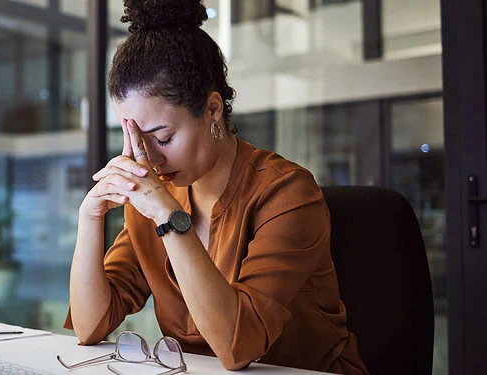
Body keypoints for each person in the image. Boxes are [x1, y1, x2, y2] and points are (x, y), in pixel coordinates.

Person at [64, 1, 368, 373]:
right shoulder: (156, 199)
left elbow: (238, 346)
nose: (150, 161)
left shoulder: (287, 193)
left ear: (212, 109)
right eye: (137, 141)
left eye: (162, 137)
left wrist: (169, 219)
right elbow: (90, 325)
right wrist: (89, 216)